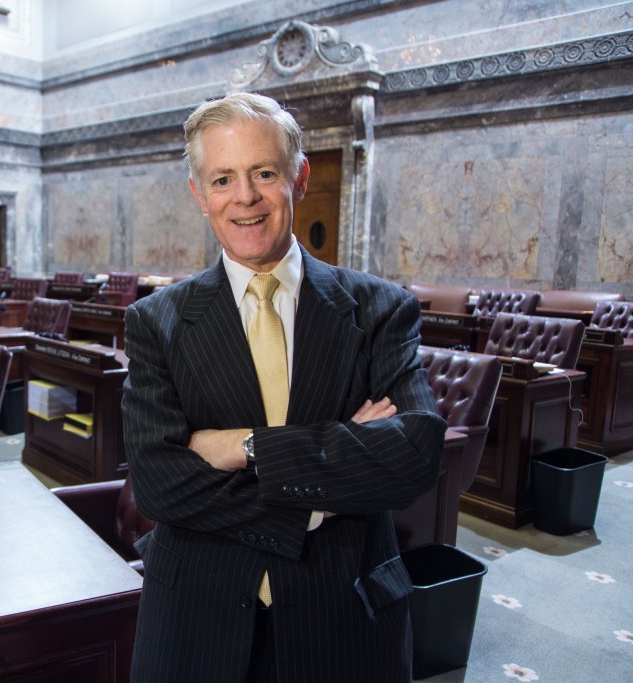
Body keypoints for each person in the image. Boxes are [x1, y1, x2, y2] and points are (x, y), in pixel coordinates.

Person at [121, 92, 447, 682]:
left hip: (343, 615)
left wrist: (245, 447)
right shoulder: (156, 321)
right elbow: (159, 486)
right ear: (200, 195)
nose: (244, 197)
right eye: (222, 179)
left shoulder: (379, 309)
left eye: (263, 173)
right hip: (198, 617)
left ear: (298, 178)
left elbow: (414, 456)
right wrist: (333, 471)